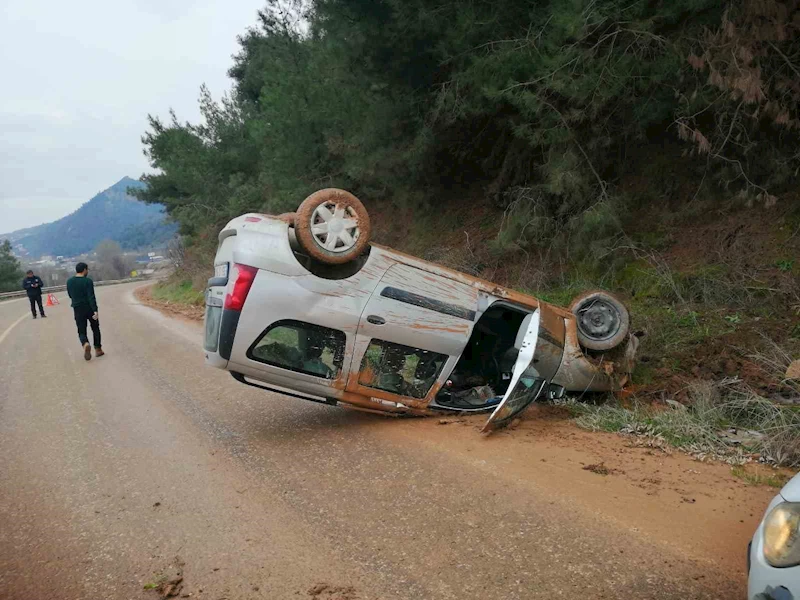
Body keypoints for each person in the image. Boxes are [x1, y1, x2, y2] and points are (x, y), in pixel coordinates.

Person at [66, 262, 104, 361]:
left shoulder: (69, 282)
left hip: (77, 308)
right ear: (84, 270)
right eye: (87, 269)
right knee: (95, 328)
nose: (87, 271)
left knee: (81, 329)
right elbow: (91, 296)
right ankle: (98, 349)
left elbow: (70, 295)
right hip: (89, 308)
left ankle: (85, 343)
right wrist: (95, 310)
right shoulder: (88, 281)